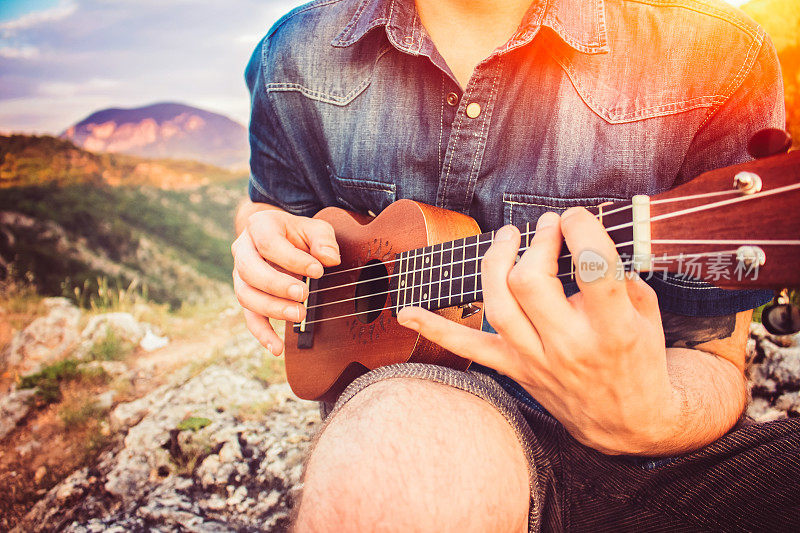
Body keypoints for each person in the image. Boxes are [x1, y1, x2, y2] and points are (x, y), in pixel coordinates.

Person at [231, 0, 800, 529]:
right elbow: (271, 208)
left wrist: (653, 417)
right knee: (400, 446)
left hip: (656, 468)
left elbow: (712, 352)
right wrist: (258, 240)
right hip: (413, 429)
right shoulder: (295, 54)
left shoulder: (715, 57)